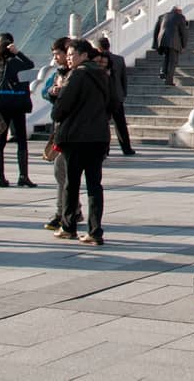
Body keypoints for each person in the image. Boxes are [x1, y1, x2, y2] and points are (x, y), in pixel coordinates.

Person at [51, 38, 111, 245]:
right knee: (94, 184)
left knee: (72, 183)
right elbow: (113, 102)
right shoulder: (103, 74)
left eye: (72, 55)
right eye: (67, 55)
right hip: (99, 137)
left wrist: (55, 98)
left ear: (85, 55)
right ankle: (95, 231)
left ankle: (68, 226)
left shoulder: (76, 75)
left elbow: (61, 108)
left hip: (76, 137)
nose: (68, 59)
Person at [0, 33, 38, 188]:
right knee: (21, 140)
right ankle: (23, 176)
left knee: (0, 142)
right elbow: (30, 64)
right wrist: (17, 53)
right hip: (17, 103)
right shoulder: (14, 62)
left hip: (1, 105)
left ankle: (1, 177)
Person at [40, 38, 77, 233]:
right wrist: (52, 92)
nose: (56, 58)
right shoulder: (58, 73)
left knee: (61, 171)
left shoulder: (76, 74)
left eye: (58, 54)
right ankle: (71, 209)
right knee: (63, 172)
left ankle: (63, 212)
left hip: (72, 130)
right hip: (60, 128)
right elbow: (44, 91)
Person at [96, 36, 137, 155]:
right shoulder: (119, 59)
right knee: (120, 124)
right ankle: (126, 148)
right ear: (108, 46)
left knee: (104, 124)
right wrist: (123, 93)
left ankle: (105, 149)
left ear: (98, 48)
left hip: (103, 96)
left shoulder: (97, 60)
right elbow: (124, 78)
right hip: (117, 96)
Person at [154, 5, 188, 86]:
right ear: (178, 11)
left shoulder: (162, 16)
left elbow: (156, 31)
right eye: (181, 11)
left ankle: (163, 71)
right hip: (173, 41)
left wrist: (156, 44)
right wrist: (184, 45)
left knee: (166, 57)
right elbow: (184, 33)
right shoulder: (180, 17)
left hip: (162, 41)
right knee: (173, 61)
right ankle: (168, 81)